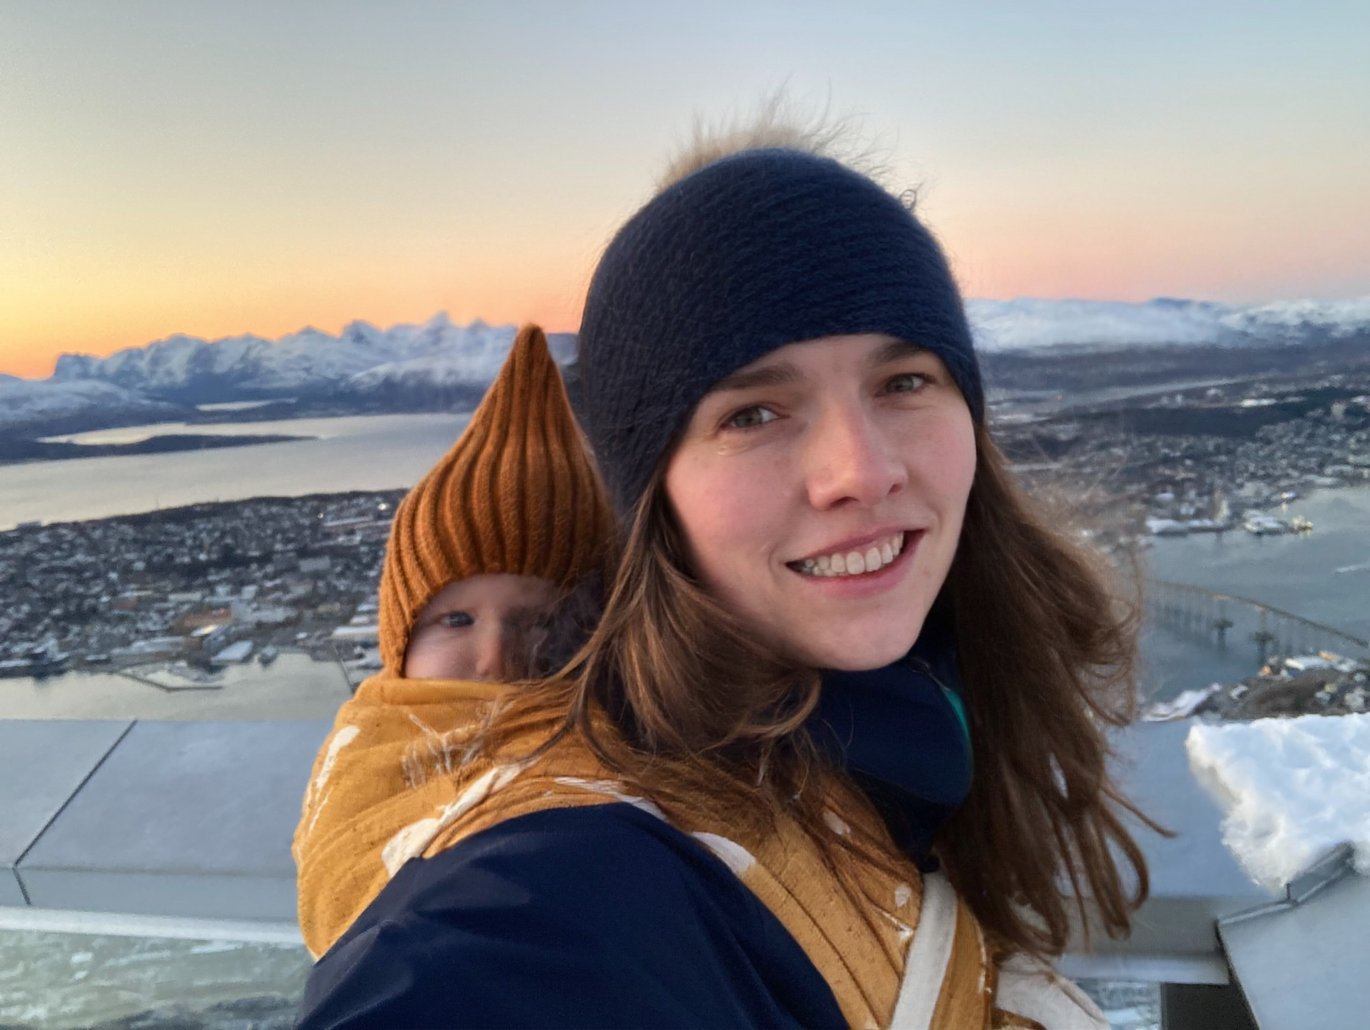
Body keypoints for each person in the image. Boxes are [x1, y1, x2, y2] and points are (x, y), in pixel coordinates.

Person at [296, 129, 1154, 1028]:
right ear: (651, 494)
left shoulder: (922, 736)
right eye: (752, 411)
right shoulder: (580, 871)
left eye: (903, 381)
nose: (858, 470)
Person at [293, 323, 613, 958]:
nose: (494, 660)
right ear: (399, 638)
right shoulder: (363, 762)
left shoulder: (628, 760)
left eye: (541, 622)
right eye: (457, 620)